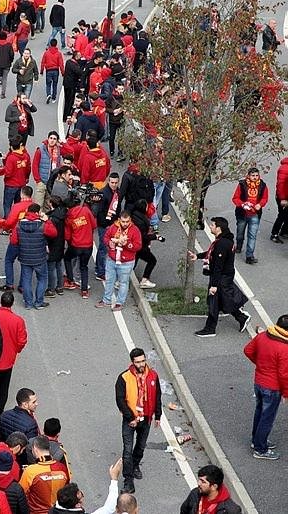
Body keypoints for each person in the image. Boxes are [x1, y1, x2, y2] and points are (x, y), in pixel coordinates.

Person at [189, 217, 251, 337]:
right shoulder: (223, 241)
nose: (210, 226)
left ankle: (210, 328)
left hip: (220, 277)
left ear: (219, 228)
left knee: (214, 302)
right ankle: (241, 317)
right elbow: (212, 254)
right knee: (223, 300)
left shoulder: (222, 244)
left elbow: (218, 265)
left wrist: (214, 285)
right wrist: (198, 256)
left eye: (212, 225)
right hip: (224, 276)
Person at [114, 347, 161, 494]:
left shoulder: (153, 376)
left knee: (140, 447)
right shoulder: (124, 378)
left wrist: (158, 416)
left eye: (142, 361)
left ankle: (135, 465)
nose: (141, 365)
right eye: (137, 362)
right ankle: (128, 480)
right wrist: (130, 417)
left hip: (146, 418)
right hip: (130, 420)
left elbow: (157, 396)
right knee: (127, 450)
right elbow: (120, 400)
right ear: (132, 362)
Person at [243, 314, 288, 460]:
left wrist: (260, 365)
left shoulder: (263, 336)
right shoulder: (284, 348)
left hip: (259, 382)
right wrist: (286, 394)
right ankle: (260, 449)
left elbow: (248, 350)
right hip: (273, 388)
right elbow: (284, 374)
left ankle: (256, 440)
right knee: (267, 418)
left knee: (260, 412)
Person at [96, 211, 141, 311]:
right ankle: (106, 299)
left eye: (127, 221)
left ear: (130, 221)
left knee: (123, 283)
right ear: (119, 220)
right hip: (112, 259)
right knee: (109, 281)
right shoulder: (114, 227)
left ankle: (120, 302)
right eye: (123, 221)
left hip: (126, 262)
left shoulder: (135, 230)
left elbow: (138, 246)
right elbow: (106, 237)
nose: (125, 224)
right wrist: (109, 243)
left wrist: (127, 244)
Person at [0, 292, 28, 416]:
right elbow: (22, 340)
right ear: (12, 304)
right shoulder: (18, 320)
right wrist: (16, 350)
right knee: (4, 385)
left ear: (0, 302)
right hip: (8, 356)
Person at [20, 435, 70, 514]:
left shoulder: (30, 471)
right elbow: (68, 489)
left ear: (35, 449)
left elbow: (21, 494)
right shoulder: (62, 468)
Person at [232, 167, 268, 265]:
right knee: (240, 233)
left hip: (255, 214)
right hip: (242, 214)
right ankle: (239, 246)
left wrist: (260, 204)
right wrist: (242, 204)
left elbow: (265, 198)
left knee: (252, 236)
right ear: (248, 176)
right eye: (253, 175)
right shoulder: (242, 185)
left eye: (257, 175)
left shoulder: (262, 185)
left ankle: (249, 256)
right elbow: (235, 198)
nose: (255, 177)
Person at [40, 39, 63, 104]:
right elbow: (61, 64)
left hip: (48, 70)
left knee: (48, 84)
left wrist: (42, 71)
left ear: (50, 44)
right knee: (55, 84)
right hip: (56, 70)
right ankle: (54, 97)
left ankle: (48, 94)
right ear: (56, 44)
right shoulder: (59, 53)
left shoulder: (46, 53)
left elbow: (43, 62)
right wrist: (63, 72)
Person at [271, 156, 288, 243]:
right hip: (284, 198)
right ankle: (274, 234)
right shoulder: (285, 168)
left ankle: (284, 231)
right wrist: (283, 199)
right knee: (282, 215)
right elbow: (281, 185)